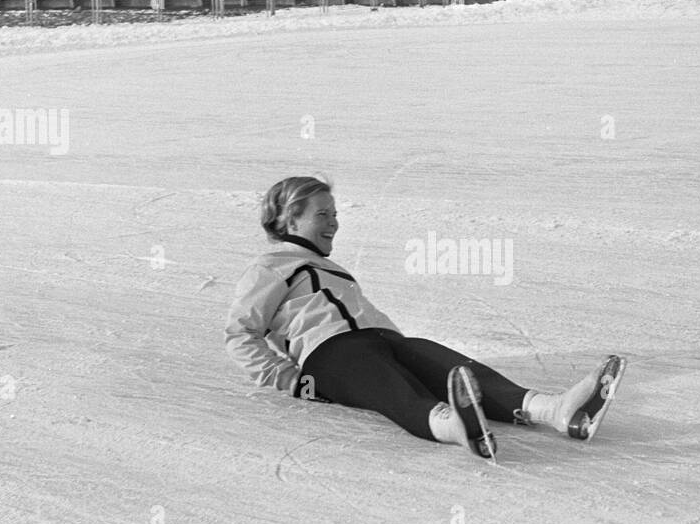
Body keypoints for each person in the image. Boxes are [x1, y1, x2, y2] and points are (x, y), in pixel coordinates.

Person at [224, 176, 624, 458]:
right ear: (291, 219)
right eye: (322, 214)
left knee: (454, 369)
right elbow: (241, 333)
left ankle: (556, 411)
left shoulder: (332, 268)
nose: (334, 222)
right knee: (393, 391)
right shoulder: (270, 265)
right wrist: (291, 380)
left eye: (334, 212)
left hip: (385, 340)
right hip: (328, 355)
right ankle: (454, 426)